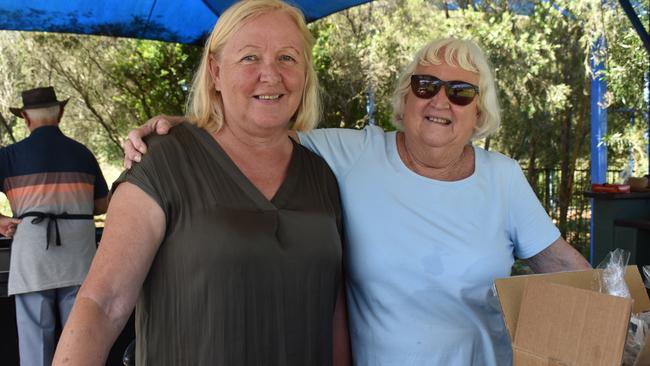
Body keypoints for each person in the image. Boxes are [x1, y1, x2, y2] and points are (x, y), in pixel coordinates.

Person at [124, 36, 592, 365]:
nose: (439, 102)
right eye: (425, 85)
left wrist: (620, 316)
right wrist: (183, 126)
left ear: (480, 113)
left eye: (461, 92)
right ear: (405, 99)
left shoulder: (502, 178)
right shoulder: (353, 154)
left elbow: (559, 263)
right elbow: (255, 127)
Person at [52, 1, 349, 365]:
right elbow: (103, 303)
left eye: (287, 58)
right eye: (249, 58)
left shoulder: (324, 174)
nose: (270, 75)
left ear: (305, 73)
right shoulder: (164, 159)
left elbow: (334, 314)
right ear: (215, 71)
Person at [0, 86, 109, 366]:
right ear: (60, 113)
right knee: (80, 344)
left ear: (25, 117)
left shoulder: (9, 157)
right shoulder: (83, 154)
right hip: (79, 260)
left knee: (35, 348)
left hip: (32, 260)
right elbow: (102, 205)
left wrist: (1, 222)